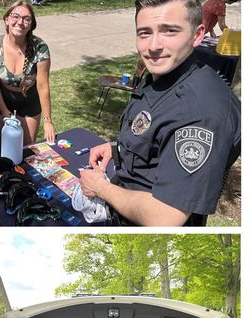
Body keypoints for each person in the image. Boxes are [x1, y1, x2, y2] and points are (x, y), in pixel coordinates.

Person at [79, 0, 241, 226]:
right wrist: (119, 149)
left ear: (197, 35)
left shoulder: (201, 111)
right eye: (144, 33)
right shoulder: (166, 72)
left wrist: (101, 188)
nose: (154, 45)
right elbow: (153, 133)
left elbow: (165, 216)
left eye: (169, 31)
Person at [0, 1, 54, 155]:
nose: (20, 22)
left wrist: (48, 121)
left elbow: (43, 86)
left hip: (29, 100)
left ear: (31, 24)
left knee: (26, 149)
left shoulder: (40, 48)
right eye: (15, 16)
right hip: (2, 100)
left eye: (26, 19)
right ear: (6, 20)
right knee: (1, 145)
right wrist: (4, 110)